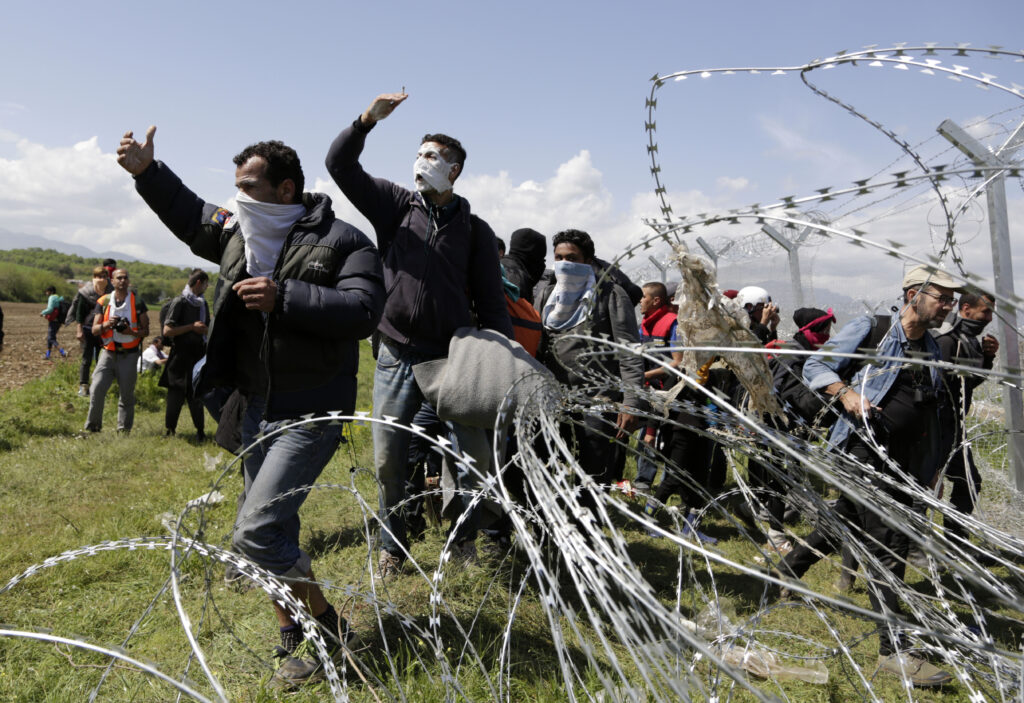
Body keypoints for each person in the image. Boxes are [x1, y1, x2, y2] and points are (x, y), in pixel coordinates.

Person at [118, 126, 384, 688]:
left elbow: (363, 309)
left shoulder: (345, 242)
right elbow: (191, 215)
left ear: (286, 189)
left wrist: (284, 297)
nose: (236, 196)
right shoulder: (238, 233)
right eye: (233, 186)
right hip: (254, 406)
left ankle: (331, 631)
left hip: (309, 410)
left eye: (248, 185)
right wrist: (148, 173)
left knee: (256, 534)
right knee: (273, 527)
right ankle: (294, 633)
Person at [326, 91, 512, 577]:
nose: (421, 163)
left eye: (432, 156)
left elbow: (491, 301)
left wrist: (499, 363)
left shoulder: (474, 231)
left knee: (467, 458)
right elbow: (340, 165)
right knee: (388, 457)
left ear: (454, 171)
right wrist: (367, 121)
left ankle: (463, 541)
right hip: (394, 355)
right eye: (418, 153)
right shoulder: (394, 206)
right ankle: (393, 545)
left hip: (452, 361)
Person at [775, 264, 957, 688]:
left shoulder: (931, 348)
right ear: (914, 293)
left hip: (905, 460)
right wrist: (846, 392)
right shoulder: (873, 328)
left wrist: (930, 466)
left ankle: (787, 570)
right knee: (887, 540)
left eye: (951, 298)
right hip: (864, 451)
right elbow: (817, 366)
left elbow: (929, 409)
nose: (948, 305)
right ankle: (893, 651)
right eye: (942, 297)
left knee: (847, 523)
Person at [533, 229, 644, 512]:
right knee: (548, 466)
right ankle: (553, 528)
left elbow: (629, 353)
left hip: (597, 399)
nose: (563, 263)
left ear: (588, 260)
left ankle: (587, 531)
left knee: (593, 471)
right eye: (558, 257)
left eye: (571, 258)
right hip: (552, 399)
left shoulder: (609, 295)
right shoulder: (547, 293)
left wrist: (631, 402)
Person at [934, 291, 998, 548]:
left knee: (969, 483)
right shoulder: (947, 340)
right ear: (967, 309)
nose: (989, 318)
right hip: (937, 426)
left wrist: (988, 358)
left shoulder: (969, 340)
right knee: (927, 487)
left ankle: (955, 544)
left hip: (955, 426)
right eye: (985, 312)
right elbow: (939, 386)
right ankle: (913, 545)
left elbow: (968, 383)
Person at [83, 269, 149, 433]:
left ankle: (123, 430)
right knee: (96, 389)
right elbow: (94, 330)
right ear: (112, 281)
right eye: (119, 278)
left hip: (129, 354)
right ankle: (93, 427)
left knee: (126, 395)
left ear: (129, 282)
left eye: (126, 278)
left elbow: (146, 331)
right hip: (108, 353)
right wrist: (107, 324)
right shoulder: (104, 301)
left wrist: (131, 332)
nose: (123, 280)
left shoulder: (138, 302)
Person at [634, 281, 683, 493]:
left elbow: (678, 361)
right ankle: (643, 482)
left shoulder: (673, 323)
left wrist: (645, 374)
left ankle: (667, 486)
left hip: (668, 390)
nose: (639, 301)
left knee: (665, 439)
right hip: (648, 389)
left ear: (656, 300)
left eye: (643, 297)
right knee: (646, 436)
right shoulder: (644, 324)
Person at [161, 269, 210, 440]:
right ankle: (170, 430)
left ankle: (200, 431)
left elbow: (207, 327)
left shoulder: (203, 303)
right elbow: (167, 330)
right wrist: (191, 327)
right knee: (175, 394)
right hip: (180, 356)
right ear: (199, 283)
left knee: (196, 395)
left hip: (197, 355)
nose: (206, 287)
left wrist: (205, 330)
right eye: (206, 284)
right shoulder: (179, 302)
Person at [71, 266, 113, 395]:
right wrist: (79, 330)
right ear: (94, 278)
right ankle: (83, 385)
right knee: (86, 359)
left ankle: (98, 385)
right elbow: (79, 313)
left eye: (104, 277)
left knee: (102, 360)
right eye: (98, 277)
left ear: (107, 278)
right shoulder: (86, 292)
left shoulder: (112, 293)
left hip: (104, 330)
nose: (101, 279)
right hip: (88, 329)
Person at [501, 228, 547, 305]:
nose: (542, 264)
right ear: (534, 255)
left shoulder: (499, 266)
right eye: (541, 258)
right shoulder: (516, 279)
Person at [40, 286, 67, 360]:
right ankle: (47, 355)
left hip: (54, 321)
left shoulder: (52, 297)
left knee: (51, 338)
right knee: (50, 338)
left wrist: (42, 313)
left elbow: (50, 309)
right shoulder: (58, 297)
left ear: (51, 292)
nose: (46, 293)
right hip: (58, 321)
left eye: (47, 291)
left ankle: (62, 351)